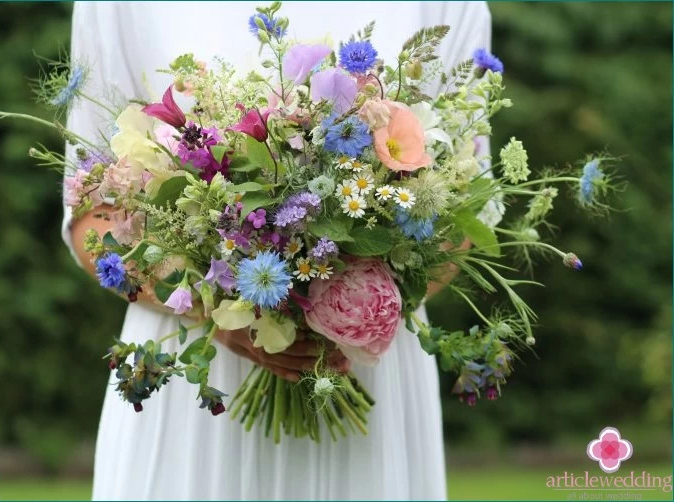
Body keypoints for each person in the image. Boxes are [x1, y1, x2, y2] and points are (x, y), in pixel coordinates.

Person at [63, 2, 493, 499]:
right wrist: (220, 308)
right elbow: (91, 216)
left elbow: (465, 212)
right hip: (196, 384)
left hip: (366, 366)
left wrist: (346, 319)